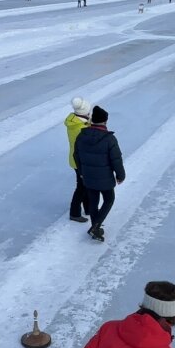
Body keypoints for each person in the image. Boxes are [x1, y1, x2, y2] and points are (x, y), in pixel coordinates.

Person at [74, 105, 125, 241]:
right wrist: (120, 175)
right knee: (109, 199)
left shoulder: (81, 135)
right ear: (104, 121)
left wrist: (81, 172)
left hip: (88, 177)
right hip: (105, 178)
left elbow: (76, 155)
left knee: (93, 202)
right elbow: (116, 159)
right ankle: (95, 227)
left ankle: (94, 227)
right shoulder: (109, 139)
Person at [65, 96, 92, 224]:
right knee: (81, 186)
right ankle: (74, 213)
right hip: (80, 161)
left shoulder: (74, 121)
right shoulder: (80, 128)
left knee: (85, 184)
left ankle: (88, 208)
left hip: (75, 159)